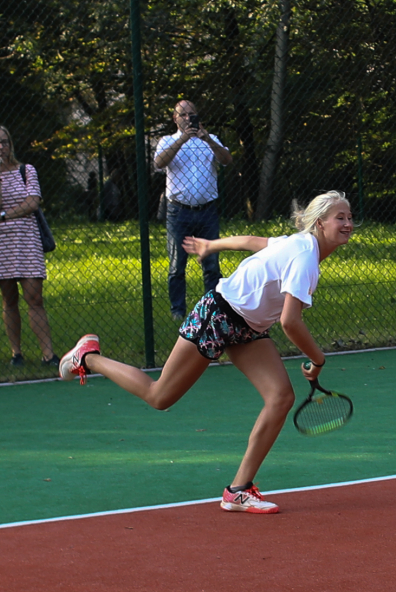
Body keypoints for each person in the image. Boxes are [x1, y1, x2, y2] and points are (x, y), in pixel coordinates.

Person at [58, 191, 355, 515]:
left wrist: (212, 245)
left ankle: (238, 490)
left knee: (281, 398)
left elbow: (254, 241)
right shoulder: (305, 257)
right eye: (340, 217)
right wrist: (318, 358)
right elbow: (289, 321)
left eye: (350, 217)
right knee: (160, 397)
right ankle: (87, 356)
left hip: (248, 328)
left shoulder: (298, 243)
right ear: (319, 223)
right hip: (218, 316)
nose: (348, 223)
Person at [0, 125, 59, 370]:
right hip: (1, 244)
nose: (0, 148)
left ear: (11, 144)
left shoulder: (27, 170)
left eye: (4, 142)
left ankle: (48, 354)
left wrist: (2, 217)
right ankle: (17, 353)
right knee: (8, 299)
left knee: (34, 296)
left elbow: (32, 203)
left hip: (26, 240)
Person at [154, 100, 232, 321]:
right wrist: (183, 138)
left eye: (192, 114)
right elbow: (159, 163)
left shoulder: (210, 139)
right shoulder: (167, 141)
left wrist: (205, 138)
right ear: (175, 118)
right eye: (183, 115)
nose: (188, 118)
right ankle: (177, 312)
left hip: (207, 211)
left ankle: (212, 308)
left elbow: (227, 159)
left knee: (211, 264)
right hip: (179, 212)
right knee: (177, 265)